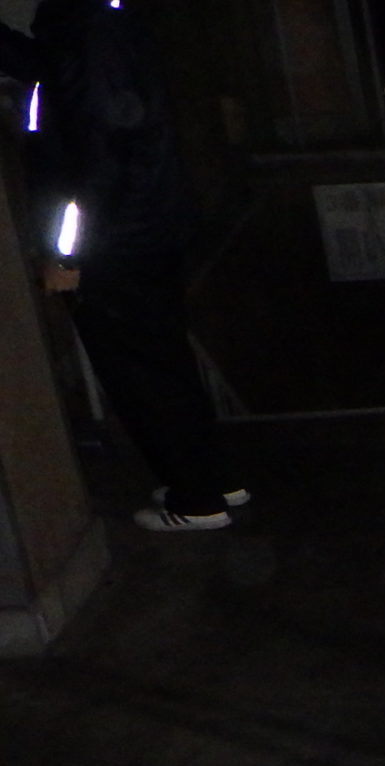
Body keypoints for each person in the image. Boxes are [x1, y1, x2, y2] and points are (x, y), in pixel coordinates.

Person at [2, 0, 241, 532]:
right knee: (163, 359)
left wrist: (69, 255)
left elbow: (99, 161)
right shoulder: (94, 21)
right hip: (141, 230)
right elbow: (52, 75)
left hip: (118, 242)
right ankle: (210, 479)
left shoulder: (91, 30)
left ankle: (197, 499)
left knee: (140, 370)